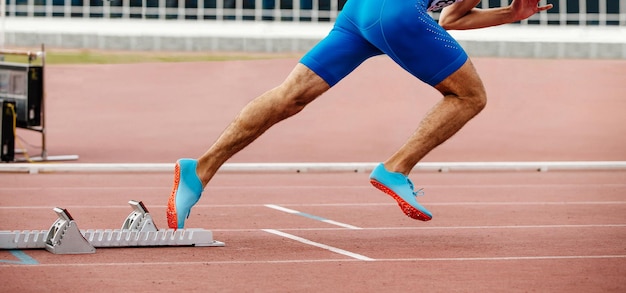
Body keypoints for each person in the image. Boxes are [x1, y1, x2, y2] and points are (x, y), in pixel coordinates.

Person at [166, 0, 553, 229]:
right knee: (469, 96)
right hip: (399, 15)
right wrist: (517, 9)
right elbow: (450, 20)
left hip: (361, 9)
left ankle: (199, 168)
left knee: (291, 96)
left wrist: (510, 14)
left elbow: (450, 18)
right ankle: (395, 169)